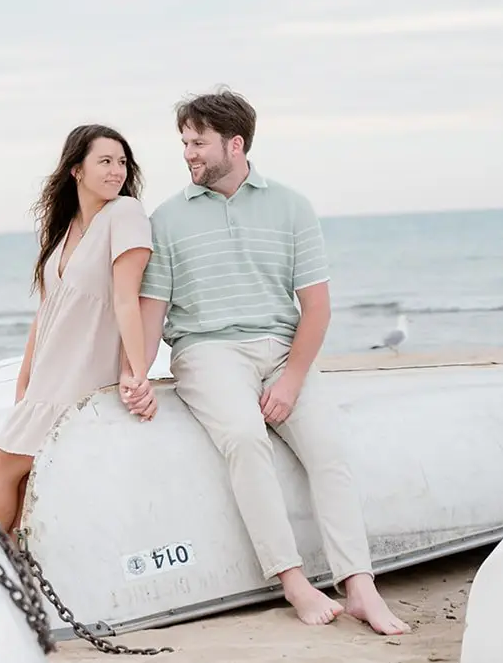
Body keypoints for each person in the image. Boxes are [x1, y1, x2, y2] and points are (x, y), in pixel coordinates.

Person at [118, 89, 409, 635]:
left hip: (280, 349)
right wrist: (135, 373)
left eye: (198, 142)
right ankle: (293, 581)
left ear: (236, 143)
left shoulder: (291, 206)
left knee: (329, 451)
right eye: (184, 142)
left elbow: (316, 308)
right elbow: (151, 312)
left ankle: (360, 585)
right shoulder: (167, 218)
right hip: (207, 351)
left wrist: (293, 380)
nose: (188, 153)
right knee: (246, 439)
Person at [0, 124, 156, 533]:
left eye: (122, 162)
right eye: (105, 161)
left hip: (81, 377)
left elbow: (128, 300)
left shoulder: (125, 214)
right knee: (24, 485)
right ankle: (15, 579)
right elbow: (46, 314)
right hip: (47, 379)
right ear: (76, 170)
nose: (117, 171)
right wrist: (25, 380)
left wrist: (136, 374)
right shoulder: (65, 229)